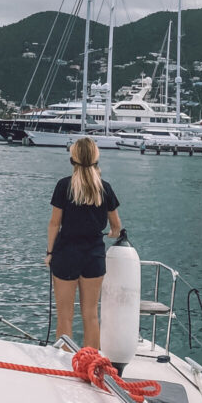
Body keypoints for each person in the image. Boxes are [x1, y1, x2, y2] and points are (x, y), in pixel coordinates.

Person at [45, 136, 122, 348]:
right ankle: (91, 362)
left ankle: (65, 360)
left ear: (73, 159)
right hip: (94, 255)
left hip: (66, 253)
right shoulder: (105, 188)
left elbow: (54, 223)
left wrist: (49, 253)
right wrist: (109, 234)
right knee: (91, 315)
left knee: (65, 316)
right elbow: (116, 226)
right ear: (96, 159)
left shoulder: (64, 186)